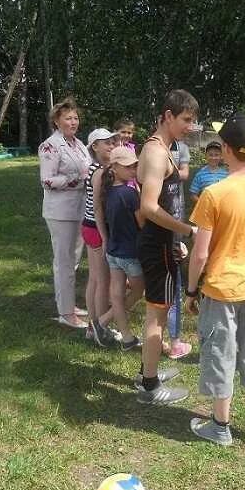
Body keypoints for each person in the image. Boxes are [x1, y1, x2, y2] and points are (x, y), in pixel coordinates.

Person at [185, 114, 245, 449]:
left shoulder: (214, 194)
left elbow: (199, 254)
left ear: (226, 149)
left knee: (220, 355)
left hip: (221, 290)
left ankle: (220, 426)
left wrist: (191, 290)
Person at [135, 89, 199, 405]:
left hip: (164, 243)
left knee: (158, 313)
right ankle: (149, 386)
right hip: (158, 244)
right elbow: (148, 207)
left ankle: (148, 370)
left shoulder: (164, 148)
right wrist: (186, 230)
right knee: (157, 316)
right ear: (168, 115)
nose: (190, 126)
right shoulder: (158, 153)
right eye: (186, 120)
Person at [38, 97, 90, 329]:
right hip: (60, 212)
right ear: (56, 121)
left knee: (74, 261)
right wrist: (76, 180)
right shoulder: (50, 145)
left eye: (75, 117)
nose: (73, 121)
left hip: (79, 209)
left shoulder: (78, 144)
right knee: (64, 262)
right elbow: (47, 180)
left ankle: (68, 303)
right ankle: (66, 313)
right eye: (68, 118)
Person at [103, 146, 145, 350]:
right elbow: (142, 223)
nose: (133, 170)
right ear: (114, 168)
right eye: (128, 167)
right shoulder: (129, 194)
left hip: (113, 251)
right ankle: (103, 321)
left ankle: (125, 336)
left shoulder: (108, 191)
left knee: (117, 297)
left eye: (135, 166)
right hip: (130, 253)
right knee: (138, 291)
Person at [82, 128, 122, 346]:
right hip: (96, 228)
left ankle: (92, 325)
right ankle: (100, 328)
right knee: (102, 281)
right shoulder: (99, 172)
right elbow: (98, 208)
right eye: (105, 142)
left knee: (95, 279)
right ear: (94, 147)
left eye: (111, 141)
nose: (110, 145)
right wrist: (105, 236)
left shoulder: (100, 168)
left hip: (91, 228)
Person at [165, 139, 193, 359]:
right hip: (165, 231)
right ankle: (174, 343)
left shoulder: (179, 148)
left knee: (162, 294)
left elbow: (184, 174)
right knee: (172, 290)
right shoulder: (154, 148)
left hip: (173, 221)